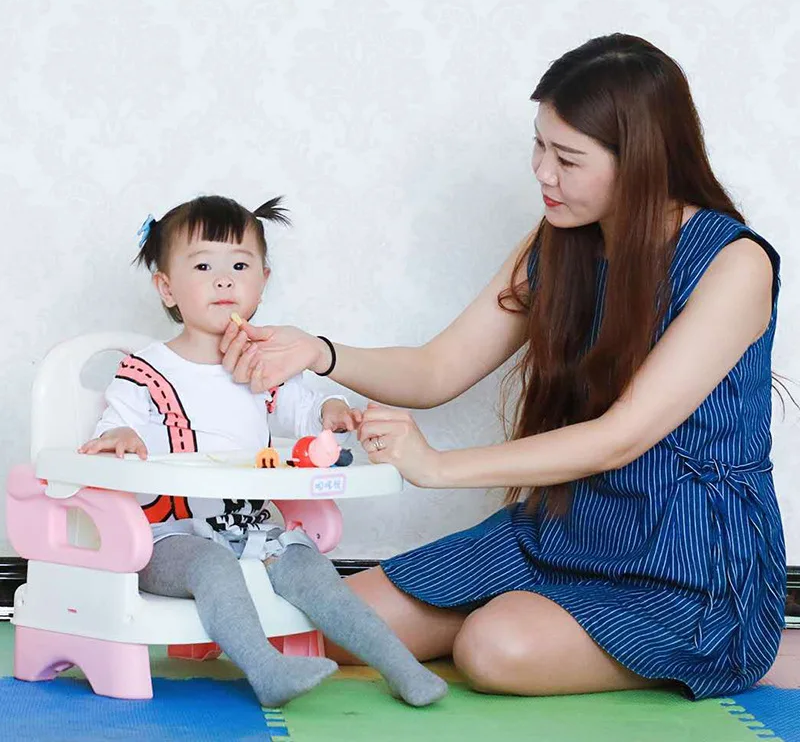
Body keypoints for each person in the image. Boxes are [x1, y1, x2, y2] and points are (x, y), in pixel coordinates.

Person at [217, 34, 786, 700]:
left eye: (567, 158)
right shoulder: (559, 242)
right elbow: (436, 370)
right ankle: (531, 625)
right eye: (539, 146)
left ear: (642, 161)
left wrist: (437, 467)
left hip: (686, 561)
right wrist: (320, 351)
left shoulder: (734, 264)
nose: (543, 173)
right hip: (566, 529)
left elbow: (621, 437)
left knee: (493, 649)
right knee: (327, 628)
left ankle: (731, 648)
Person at [79, 195, 447, 707]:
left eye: (239, 266)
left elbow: (306, 412)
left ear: (263, 281)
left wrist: (332, 411)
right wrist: (123, 437)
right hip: (166, 539)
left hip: (249, 527)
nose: (223, 280)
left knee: (312, 570)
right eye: (203, 266)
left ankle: (403, 669)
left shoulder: (263, 367)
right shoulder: (144, 371)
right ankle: (266, 669)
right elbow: (112, 428)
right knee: (212, 566)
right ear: (166, 287)